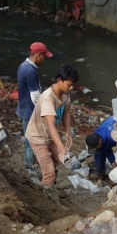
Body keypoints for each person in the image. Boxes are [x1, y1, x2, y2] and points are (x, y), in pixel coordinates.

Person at [25, 64, 79, 208]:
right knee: (49, 170)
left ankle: (51, 188)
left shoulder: (65, 94)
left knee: (55, 161)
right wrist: (62, 147)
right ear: (59, 81)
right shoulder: (47, 98)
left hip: (49, 135)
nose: (71, 88)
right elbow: (51, 126)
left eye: (73, 85)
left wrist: (67, 131)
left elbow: (66, 111)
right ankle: (50, 202)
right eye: (69, 84)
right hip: (38, 137)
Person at [16, 42, 53, 176]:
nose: (44, 59)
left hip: (23, 108)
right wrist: (44, 113)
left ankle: (30, 165)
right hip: (29, 113)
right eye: (44, 56)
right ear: (38, 55)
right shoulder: (31, 72)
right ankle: (29, 169)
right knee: (30, 142)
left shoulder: (23, 66)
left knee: (29, 140)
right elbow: (35, 96)